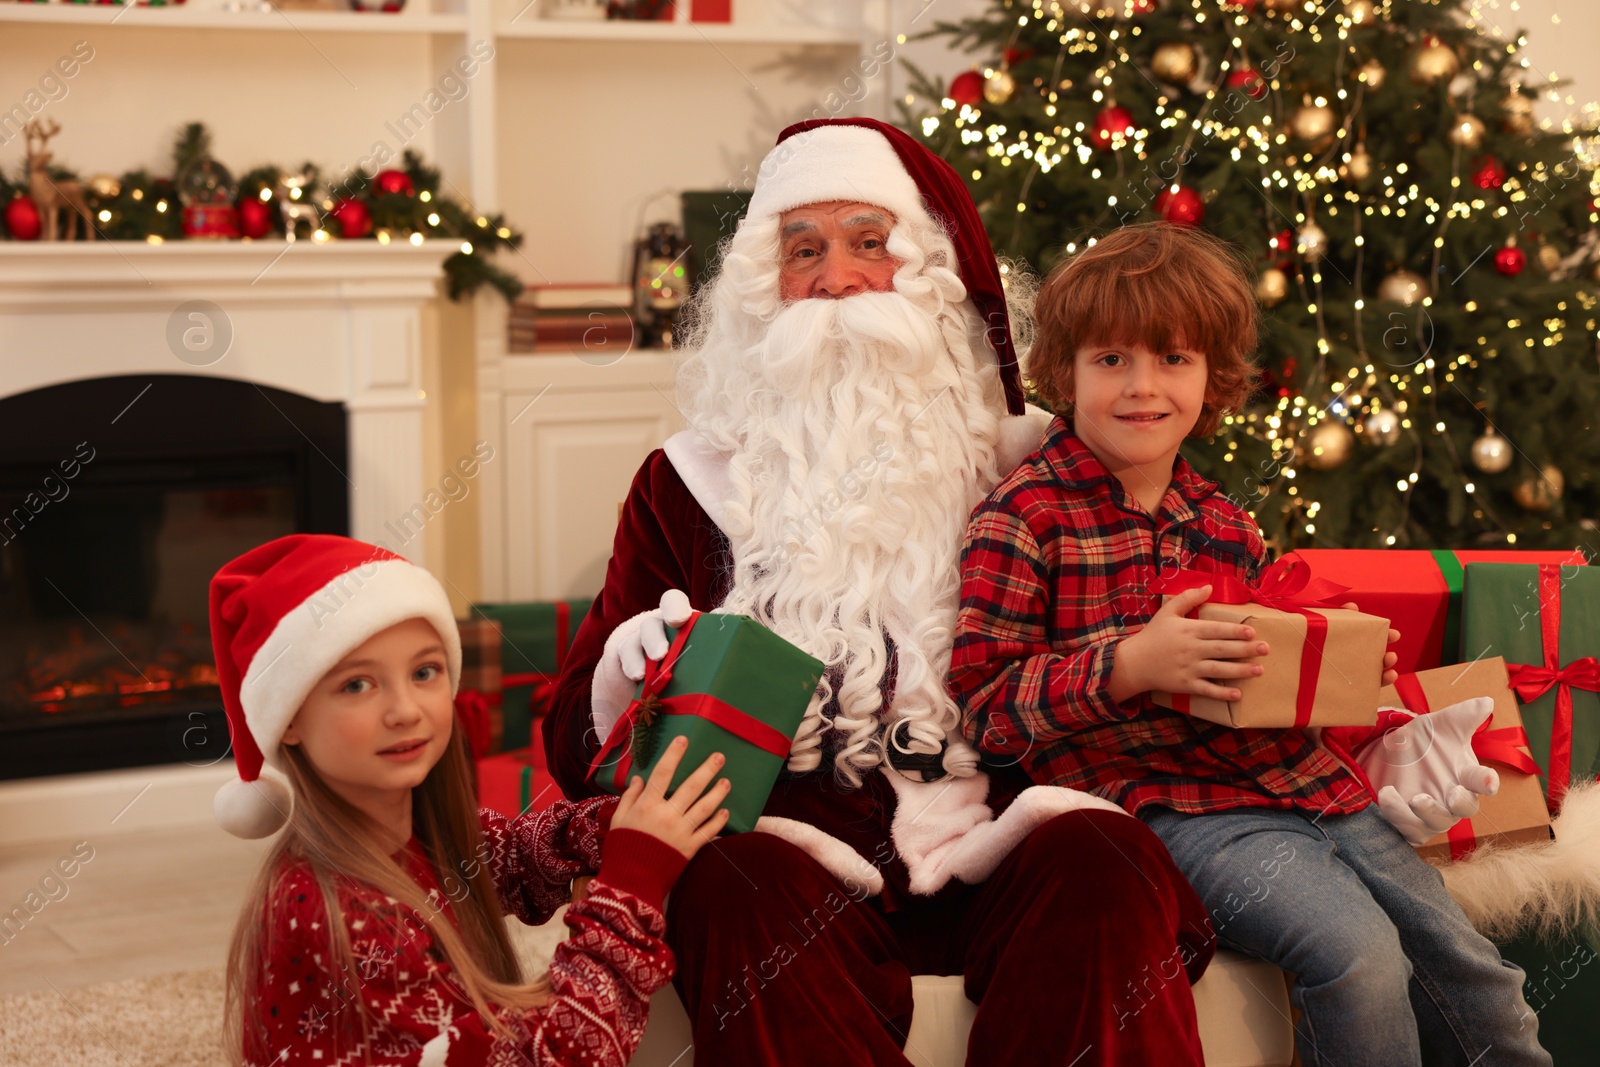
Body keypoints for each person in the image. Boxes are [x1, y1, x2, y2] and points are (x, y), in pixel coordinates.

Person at [545, 118, 1215, 1066]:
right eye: (803, 252)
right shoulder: (685, 483)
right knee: (730, 880)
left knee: (1103, 862)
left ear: (931, 274)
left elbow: (1174, 605)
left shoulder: (1038, 463)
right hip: (792, 858)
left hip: (1000, 836)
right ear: (759, 292)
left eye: (871, 244)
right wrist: (627, 675)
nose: (837, 279)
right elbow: (573, 738)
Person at [950, 222, 1552, 1066]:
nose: (1142, 387)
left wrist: (1339, 674)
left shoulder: (1224, 522)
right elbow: (983, 709)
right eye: (1111, 360)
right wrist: (1127, 667)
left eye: (1174, 359)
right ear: (1066, 372)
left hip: (1307, 785)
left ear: (1212, 377)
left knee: (1475, 972)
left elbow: (1274, 673)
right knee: (1357, 956)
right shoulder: (1024, 517)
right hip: (1170, 806)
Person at [210, 533, 729, 1066]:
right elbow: (551, 1058)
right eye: (358, 685)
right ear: (289, 719)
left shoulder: (415, 834)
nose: (405, 710)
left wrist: (613, 826)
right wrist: (633, 880)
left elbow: (514, 856)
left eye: (423, 672)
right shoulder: (337, 913)